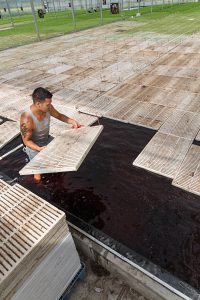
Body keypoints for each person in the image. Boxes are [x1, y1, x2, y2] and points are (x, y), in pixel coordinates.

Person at [20, 87, 81, 183]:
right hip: (33, 146)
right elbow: (26, 140)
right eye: (48, 104)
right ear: (38, 104)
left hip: (47, 139)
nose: (50, 106)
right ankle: (37, 188)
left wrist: (72, 121)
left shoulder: (48, 108)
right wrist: (39, 149)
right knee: (38, 174)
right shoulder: (27, 119)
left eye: (50, 103)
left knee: (63, 152)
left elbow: (59, 116)